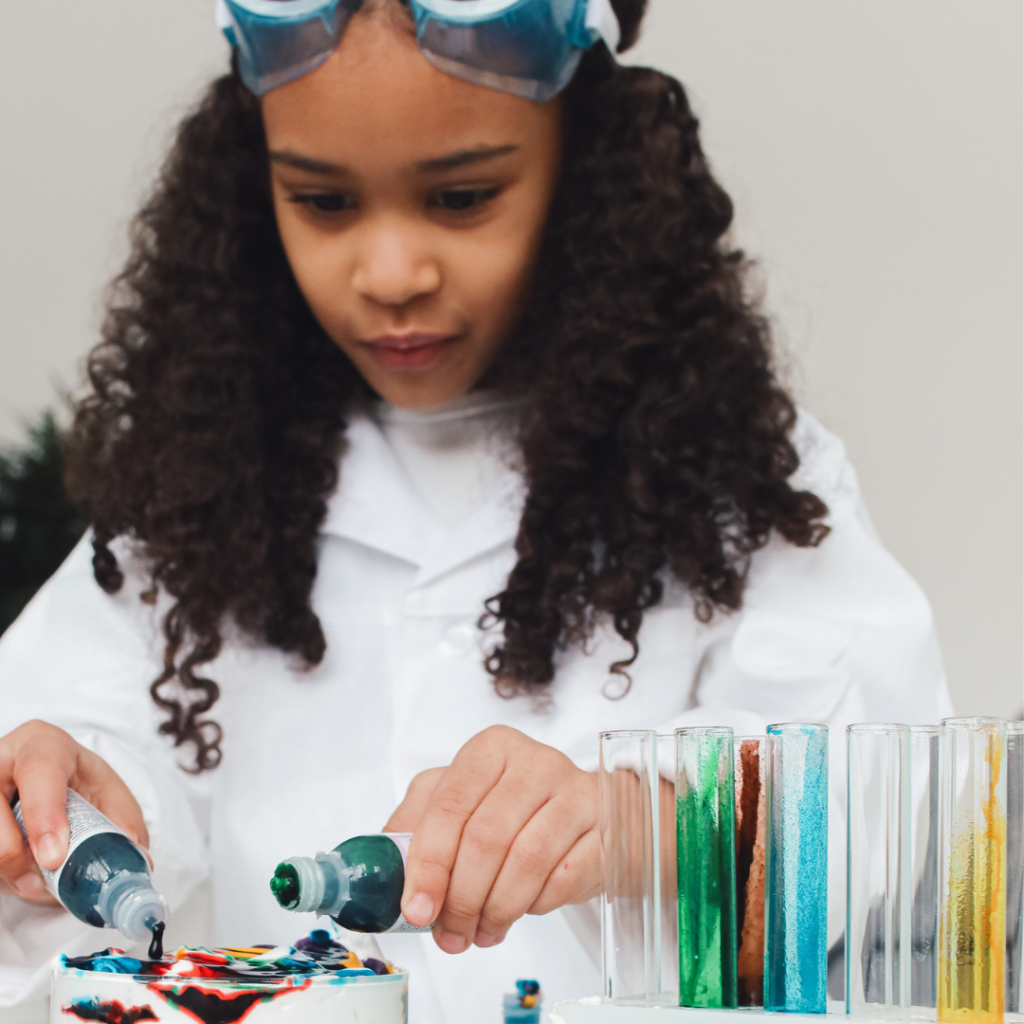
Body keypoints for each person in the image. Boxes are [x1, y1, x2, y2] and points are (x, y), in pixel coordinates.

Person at [0, 0, 951, 1018]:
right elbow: (85, 734)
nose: (392, 274)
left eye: (460, 196)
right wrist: (77, 797)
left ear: (584, 172)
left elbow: (884, 815)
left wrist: (636, 824)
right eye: (322, 202)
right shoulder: (198, 481)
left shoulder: (734, 472)